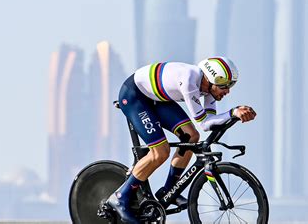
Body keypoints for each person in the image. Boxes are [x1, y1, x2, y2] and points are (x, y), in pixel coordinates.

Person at [99, 57, 257, 223]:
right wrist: (233, 113)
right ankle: (120, 197)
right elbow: (204, 123)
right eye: (225, 86)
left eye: (230, 85)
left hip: (156, 99)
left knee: (191, 137)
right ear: (211, 80)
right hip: (135, 97)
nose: (227, 91)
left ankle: (169, 191)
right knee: (160, 152)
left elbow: (212, 120)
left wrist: (235, 116)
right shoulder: (189, 81)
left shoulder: (210, 90)